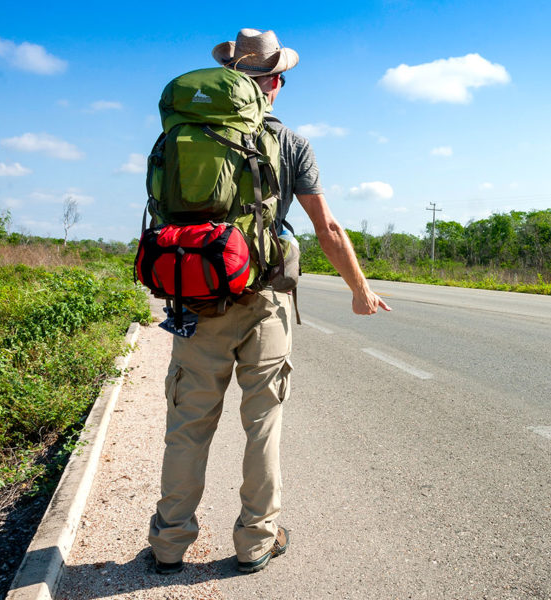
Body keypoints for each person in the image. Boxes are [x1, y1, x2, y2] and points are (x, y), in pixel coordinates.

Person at [148, 28, 391, 575]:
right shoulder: (290, 143)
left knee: (188, 424)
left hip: (196, 300)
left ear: (232, 75)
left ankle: (168, 545)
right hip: (265, 299)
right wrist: (360, 289)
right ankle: (256, 540)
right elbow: (324, 226)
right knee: (263, 424)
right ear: (275, 82)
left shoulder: (177, 137)